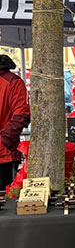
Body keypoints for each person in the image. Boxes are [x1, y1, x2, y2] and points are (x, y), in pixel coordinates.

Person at [0, 54, 30, 190]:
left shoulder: (12, 82)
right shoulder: (12, 81)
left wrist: (4, 140)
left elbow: (21, 115)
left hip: (4, 153)